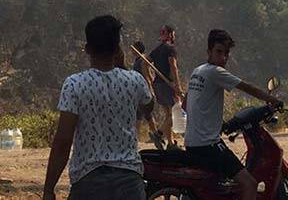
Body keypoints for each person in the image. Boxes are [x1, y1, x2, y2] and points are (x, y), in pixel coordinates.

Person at [43, 15, 153, 200]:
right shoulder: (134, 80)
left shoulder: (74, 85)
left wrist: (48, 189)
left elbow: (63, 142)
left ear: (87, 49)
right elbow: (149, 106)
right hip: (129, 183)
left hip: (88, 183)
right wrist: (123, 66)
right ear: (117, 49)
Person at [183, 29, 282, 200]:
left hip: (192, 143)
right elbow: (246, 87)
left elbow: (185, 105)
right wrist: (272, 100)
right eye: (218, 52)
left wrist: (211, 122)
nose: (223, 57)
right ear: (209, 52)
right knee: (250, 184)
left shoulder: (197, 72)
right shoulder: (216, 72)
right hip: (209, 145)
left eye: (226, 53)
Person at [149, 25, 183, 146]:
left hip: (158, 85)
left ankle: (170, 142)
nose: (174, 36)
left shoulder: (156, 50)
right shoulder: (170, 49)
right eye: (173, 34)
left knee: (168, 114)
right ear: (169, 35)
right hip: (167, 85)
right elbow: (173, 67)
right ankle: (158, 134)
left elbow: (144, 63)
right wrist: (178, 86)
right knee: (175, 113)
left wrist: (150, 79)